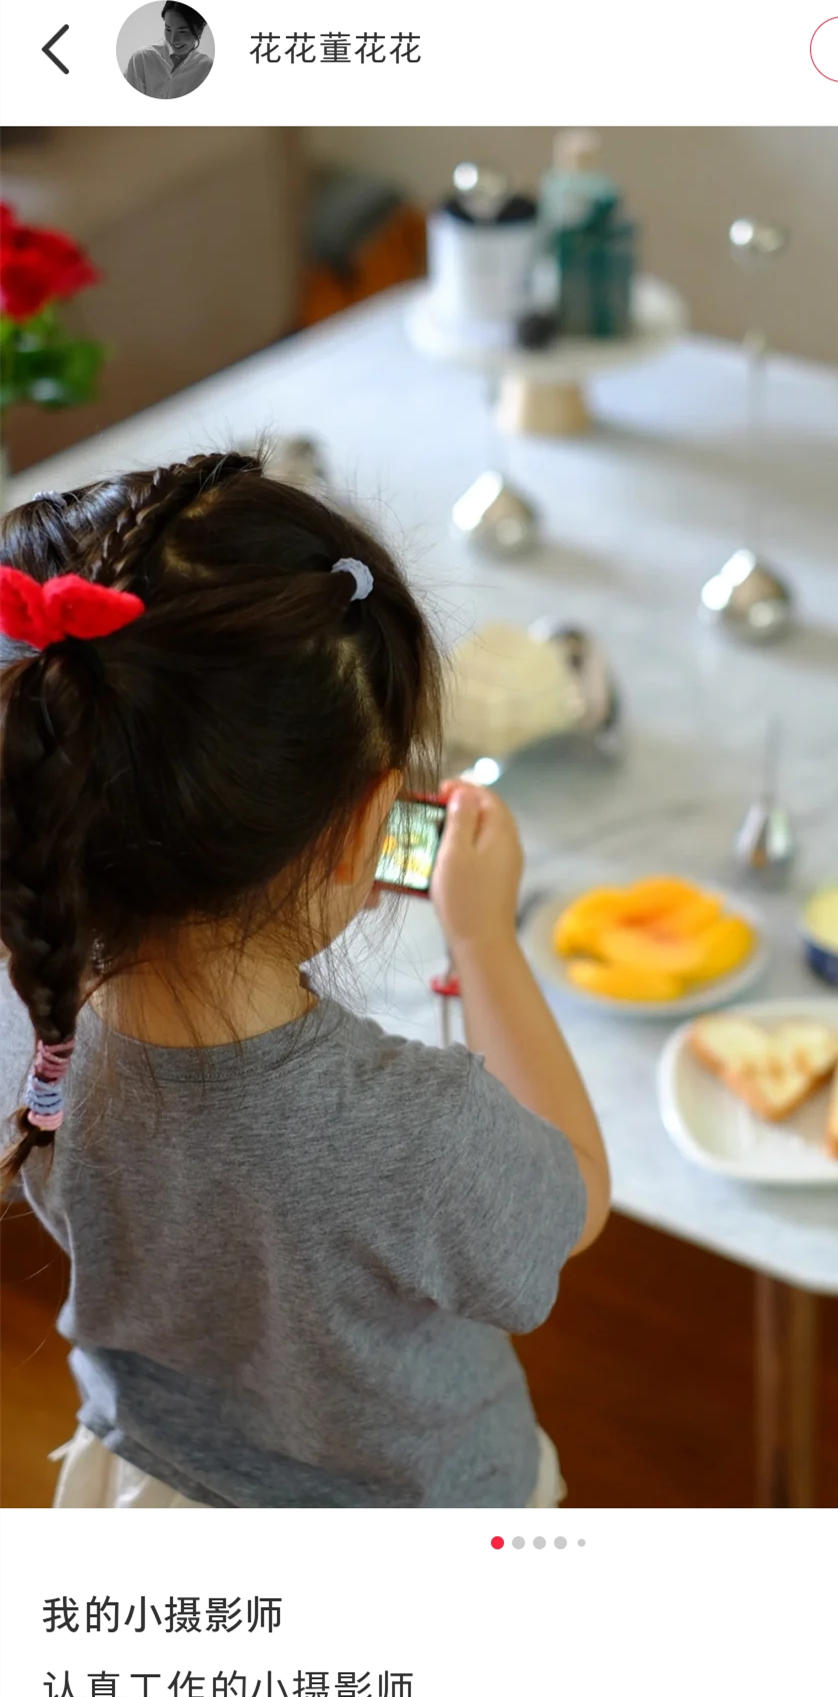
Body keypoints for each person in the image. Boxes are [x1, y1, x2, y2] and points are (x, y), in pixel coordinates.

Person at [0, 453, 610, 1508]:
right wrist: (485, 943)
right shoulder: (417, 1130)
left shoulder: (30, 1017)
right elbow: (572, 1202)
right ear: (359, 832)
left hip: (155, 1490)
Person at [123, 4, 213, 100]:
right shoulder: (141, 59)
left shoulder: (207, 68)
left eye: (182, 31)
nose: (173, 39)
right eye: (168, 29)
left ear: (199, 31)